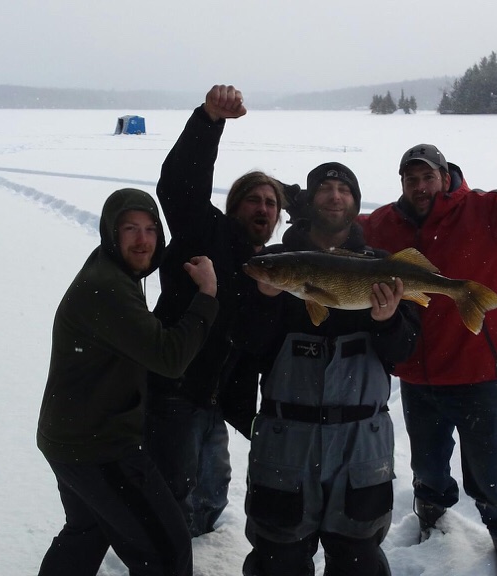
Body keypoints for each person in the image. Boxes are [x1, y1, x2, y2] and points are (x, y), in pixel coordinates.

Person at [359, 99, 497, 576]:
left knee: (492, 475)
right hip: (417, 376)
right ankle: (433, 522)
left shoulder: (488, 212)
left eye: (427, 177)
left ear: (444, 175)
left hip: (477, 374)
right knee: (428, 470)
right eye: (410, 180)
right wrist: (301, 203)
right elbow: (342, 231)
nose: (419, 187)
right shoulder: (385, 225)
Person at [240, 163, 421, 576]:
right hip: (286, 440)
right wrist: (266, 300)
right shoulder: (272, 264)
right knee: (277, 560)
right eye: (325, 188)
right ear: (310, 198)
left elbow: (404, 353)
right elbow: (249, 346)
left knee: (359, 561)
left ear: (356, 203)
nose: (334, 196)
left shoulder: (382, 266)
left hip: (362, 442)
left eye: (344, 189)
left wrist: (389, 320)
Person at [35, 187, 219, 576]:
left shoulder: (115, 270)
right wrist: (207, 296)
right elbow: (169, 357)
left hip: (71, 436)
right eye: (131, 229)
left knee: (87, 531)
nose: (143, 239)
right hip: (99, 445)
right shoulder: (108, 286)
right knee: (167, 551)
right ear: (111, 234)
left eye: (151, 229)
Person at [145, 84, 286, 537]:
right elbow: (180, 187)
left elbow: (255, 343)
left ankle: (187, 547)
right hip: (173, 393)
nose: (262, 207)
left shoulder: (270, 269)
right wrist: (208, 122)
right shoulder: (205, 232)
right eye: (253, 199)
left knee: (211, 494)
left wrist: (267, 302)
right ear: (234, 206)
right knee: (171, 494)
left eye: (270, 202)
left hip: (213, 401)